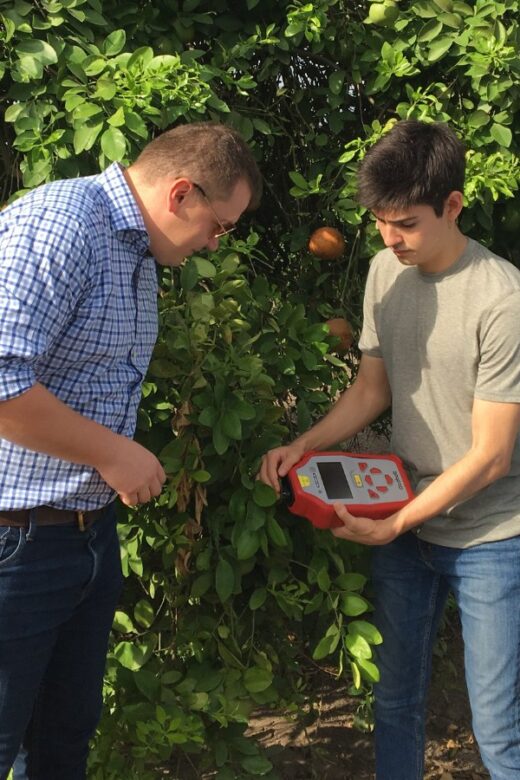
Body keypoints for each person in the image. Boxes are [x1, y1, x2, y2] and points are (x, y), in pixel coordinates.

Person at [0, 121, 262, 780]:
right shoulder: (61, 227)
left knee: (62, 745)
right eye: (220, 226)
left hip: (84, 540)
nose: (214, 242)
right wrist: (112, 453)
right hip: (15, 544)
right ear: (181, 194)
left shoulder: (141, 255)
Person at [260, 120, 520, 780]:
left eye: (404, 223)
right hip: (403, 518)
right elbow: (371, 389)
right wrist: (305, 444)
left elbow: (491, 454)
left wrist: (398, 522)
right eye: (378, 221)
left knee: (498, 727)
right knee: (395, 700)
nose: (389, 238)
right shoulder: (384, 271)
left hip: (490, 535)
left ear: (453, 205)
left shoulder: (503, 299)